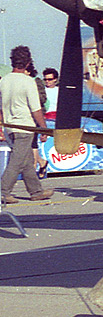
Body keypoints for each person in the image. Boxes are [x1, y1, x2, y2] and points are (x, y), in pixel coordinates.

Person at [1, 46, 53, 203]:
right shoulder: (28, 82)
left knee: (27, 161)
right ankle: (3, 191)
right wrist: (43, 128)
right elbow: (36, 109)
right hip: (25, 127)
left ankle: (36, 191)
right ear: (28, 63)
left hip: (9, 126)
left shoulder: (3, 81)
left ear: (12, 62)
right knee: (16, 161)